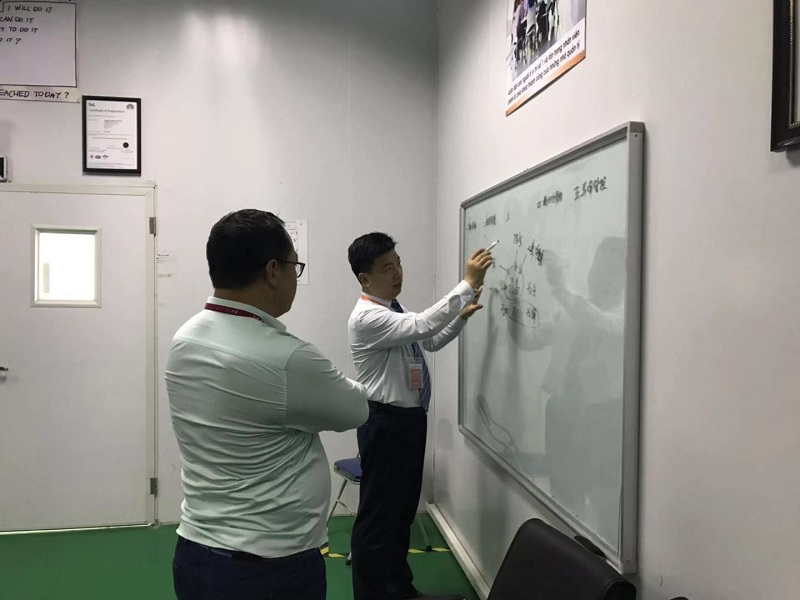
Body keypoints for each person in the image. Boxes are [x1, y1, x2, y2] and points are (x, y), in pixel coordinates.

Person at [166, 209, 369, 600]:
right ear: (273, 270)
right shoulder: (286, 359)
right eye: (295, 266)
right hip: (269, 568)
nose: (295, 278)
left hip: (195, 552)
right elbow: (356, 409)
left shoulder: (185, 339)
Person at [346, 232, 493, 600]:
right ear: (365, 278)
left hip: (407, 421)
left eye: (398, 263)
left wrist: (459, 318)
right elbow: (424, 325)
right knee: (380, 517)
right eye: (387, 268)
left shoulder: (392, 308)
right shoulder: (368, 317)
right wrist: (467, 283)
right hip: (385, 422)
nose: (398, 272)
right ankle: (374, 594)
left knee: (400, 513)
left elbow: (429, 340)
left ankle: (397, 589)